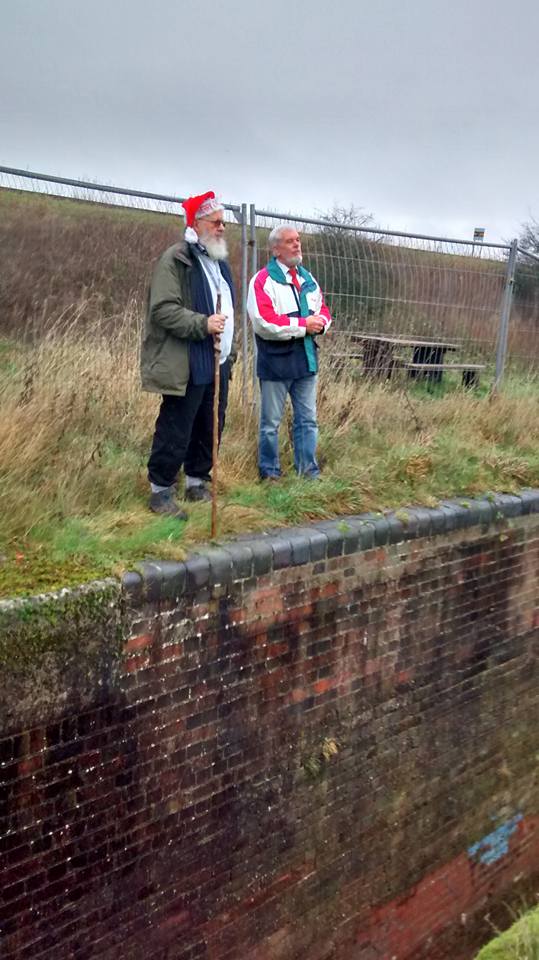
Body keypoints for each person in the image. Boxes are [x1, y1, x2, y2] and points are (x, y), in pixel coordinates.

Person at [141, 191, 235, 517]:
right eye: (216, 222)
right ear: (197, 223)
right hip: (188, 359)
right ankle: (161, 492)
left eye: (224, 223)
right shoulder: (176, 259)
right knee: (177, 425)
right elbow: (163, 310)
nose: (223, 228)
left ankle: (197, 482)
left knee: (211, 423)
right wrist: (203, 323)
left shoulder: (218, 261)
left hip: (218, 361)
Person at [247, 225, 332, 480]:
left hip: (306, 360)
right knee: (270, 424)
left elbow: (324, 311)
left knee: (308, 421)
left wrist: (321, 326)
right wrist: (303, 325)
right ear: (275, 249)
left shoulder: (308, 279)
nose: (297, 245)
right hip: (275, 363)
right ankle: (270, 473)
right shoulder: (263, 280)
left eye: (298, 240)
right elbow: (264, 322)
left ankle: (308, 472)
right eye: (289, 241)